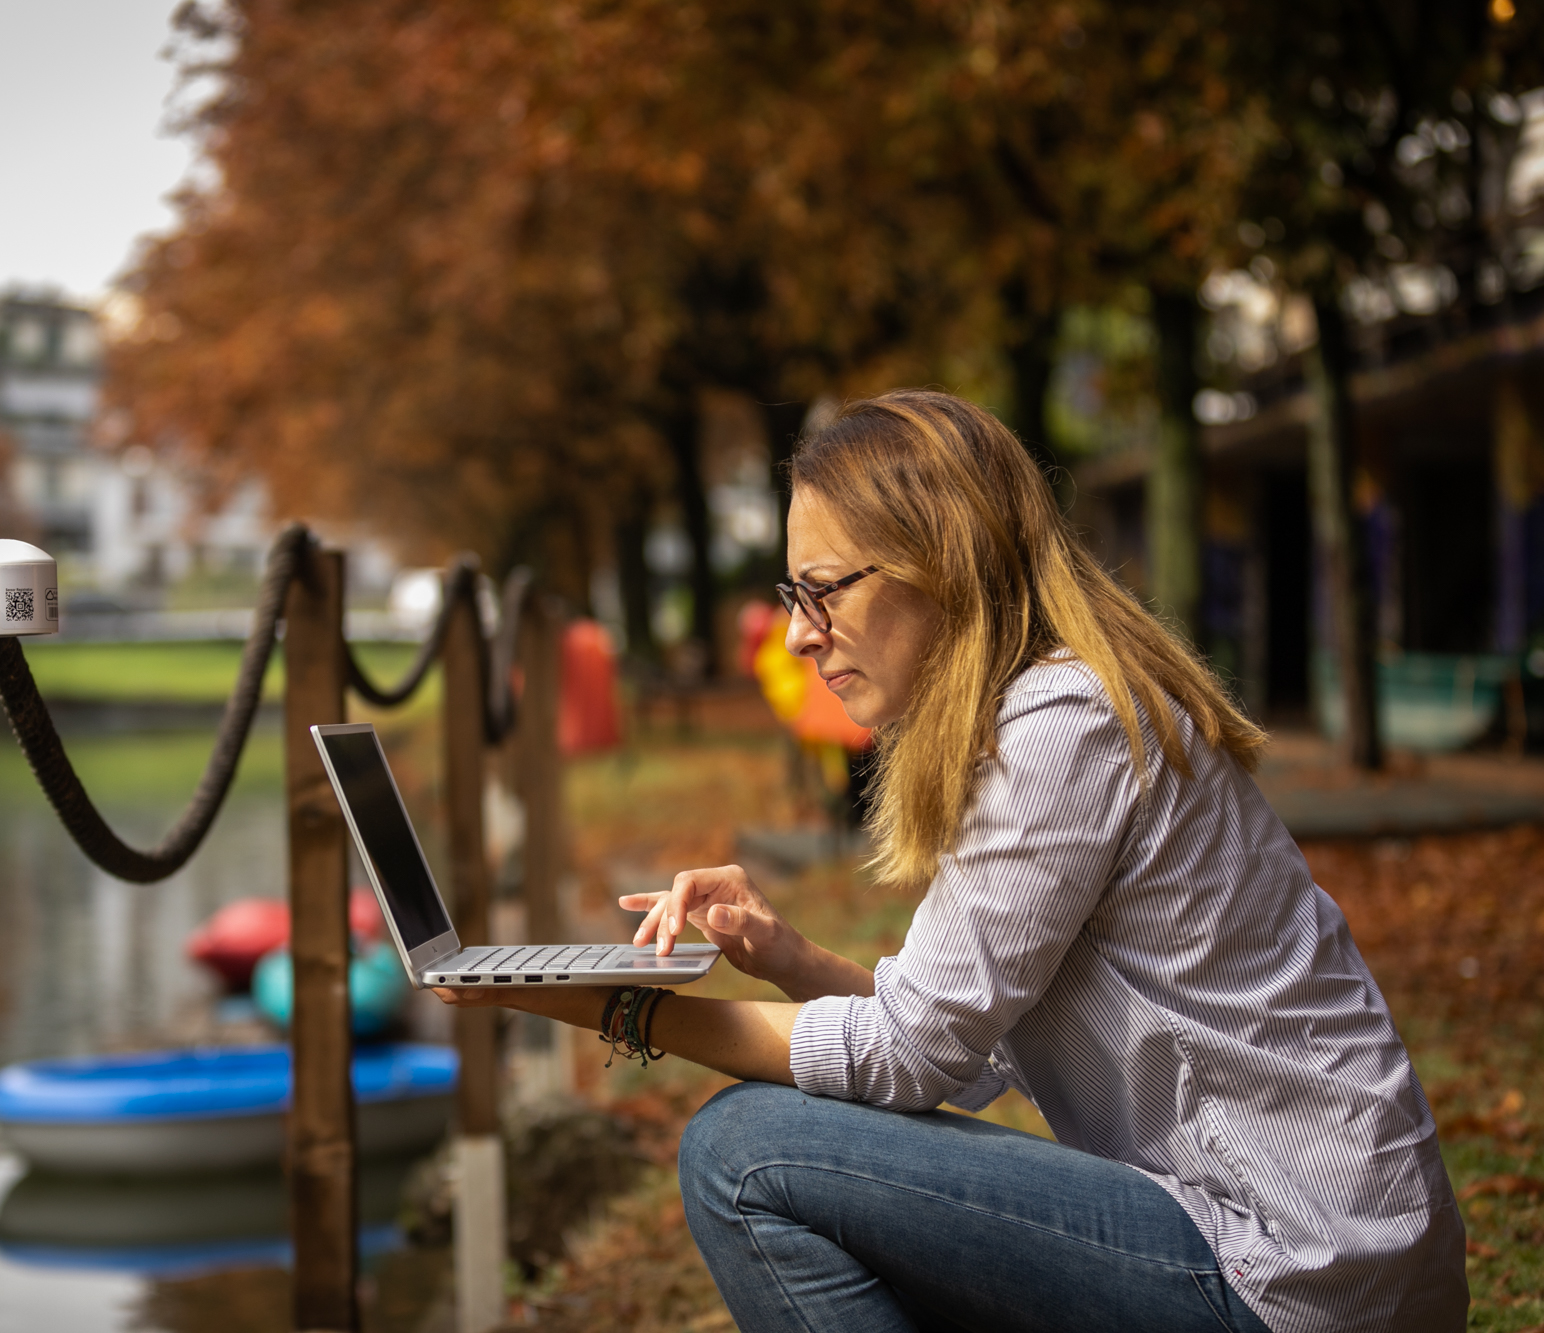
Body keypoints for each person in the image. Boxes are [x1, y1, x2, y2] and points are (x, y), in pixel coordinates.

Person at [434, 390, 1465, 1333]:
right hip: (1306, 1247)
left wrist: (626, 1009)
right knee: (772, 1143)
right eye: (790, 592)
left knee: (743, 1153)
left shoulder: (1058, 725)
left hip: (1295, 1271)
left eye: (823, 589)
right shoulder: (1052, 710)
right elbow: (967, 1052)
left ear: (942, 560)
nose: (799, 634)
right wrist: (786, 954)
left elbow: (909, 1056)